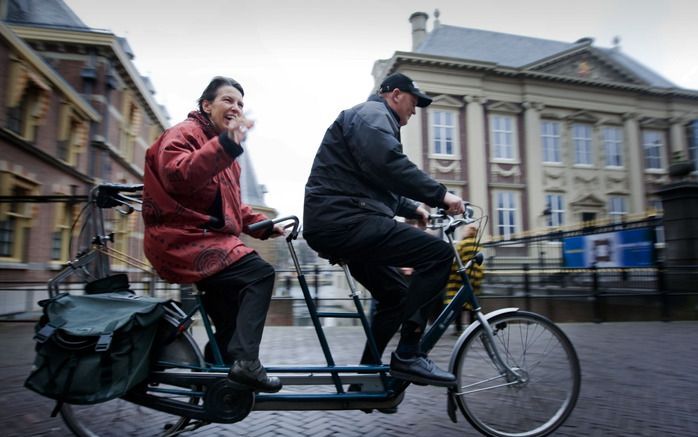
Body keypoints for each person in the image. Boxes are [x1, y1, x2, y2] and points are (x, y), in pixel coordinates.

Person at [303, 72, 465, 387]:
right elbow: (390, 164)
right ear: (395, 95)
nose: (415, 111)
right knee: (438, 254)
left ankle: (367, 378)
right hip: (346, 221)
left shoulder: (373, 119)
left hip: (343, 219)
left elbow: (377, 180)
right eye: (414, 102)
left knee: (395, 296)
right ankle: (408, 354)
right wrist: (441, 196)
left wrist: (413, 208)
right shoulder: (372, 115)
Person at [142, 76, 283, 393]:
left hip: (205, 240)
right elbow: (179, 175)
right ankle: (247, 364)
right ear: (206, 106)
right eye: (228, 100)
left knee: (232, 322)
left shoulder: (227, 154)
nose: (236, 107)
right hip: (182, 239)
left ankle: (211, 379)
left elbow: (232, 207)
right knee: (259, 274)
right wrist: (226, 145)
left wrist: (263, 225)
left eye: (241, 104)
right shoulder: (183, 134)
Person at [444, 224, 485, 335]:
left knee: (459, 304)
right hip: (474, 277)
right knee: (472, 304)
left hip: (461, 279)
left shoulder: (462, 244)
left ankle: (458, 329)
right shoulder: (478, 245)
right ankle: (472, 329)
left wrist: (451, 272)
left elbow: (456, 259)